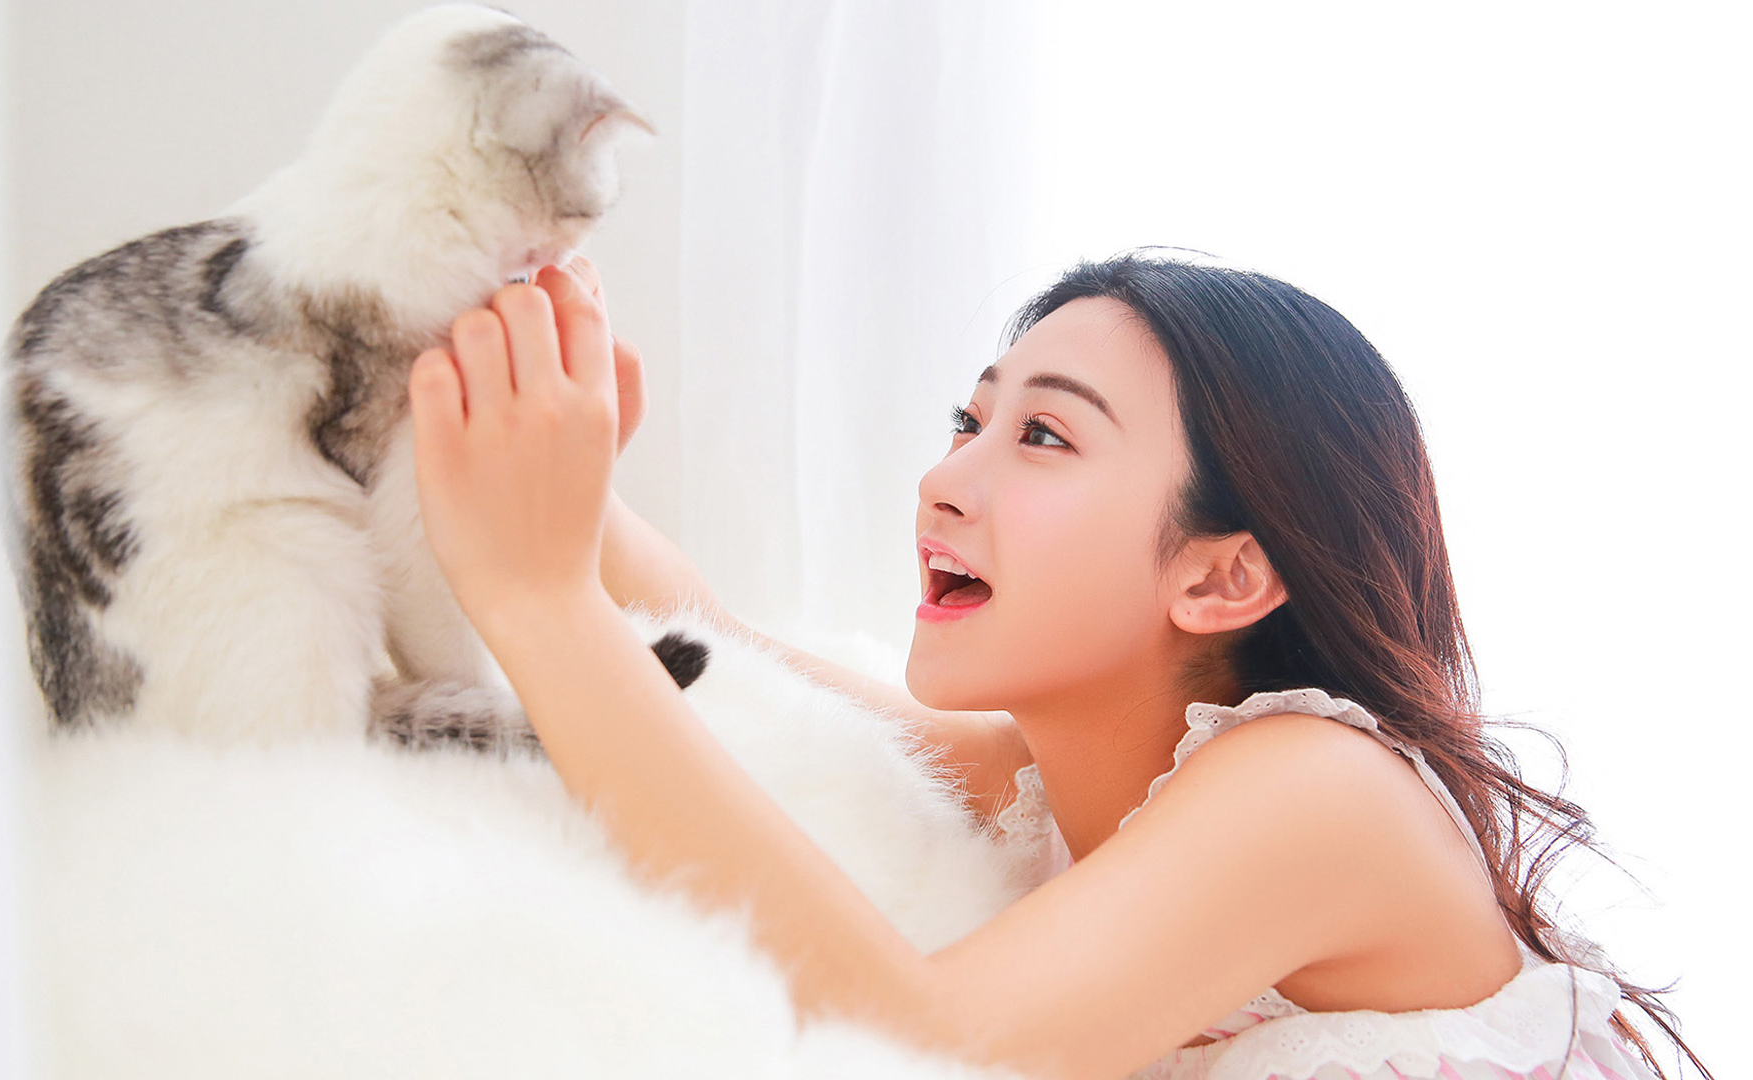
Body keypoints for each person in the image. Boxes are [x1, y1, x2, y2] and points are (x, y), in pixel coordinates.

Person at [403, 252, 1707, 1080]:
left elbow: (934, 1049)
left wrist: (537, 599)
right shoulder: (1061, 778)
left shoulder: (1321, 787)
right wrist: (564, 483)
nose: (944, 478)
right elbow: (728, 647)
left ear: (1222, 577)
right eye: (967, 420)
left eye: (1042, 437)